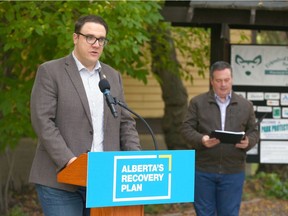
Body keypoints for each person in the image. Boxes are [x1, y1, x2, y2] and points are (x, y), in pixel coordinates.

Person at [29, 15, 141, 216]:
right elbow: (43, 121)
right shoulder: (50, 71)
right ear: (75, 38)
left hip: (103, 179)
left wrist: (135, 160)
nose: (96, 44)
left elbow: (125, 122)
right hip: (60, 179)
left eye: (101, 39)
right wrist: (69, 161)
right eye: (89, 37)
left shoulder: (111, 76)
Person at [181, 61, 259, 216]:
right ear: (211, 81)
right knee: (204, 213)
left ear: (232, 79)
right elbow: (186, 129)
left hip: (233, 171)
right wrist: (201, 139)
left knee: (229, 213)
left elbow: (254, 131)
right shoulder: (197, 103)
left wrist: (248, 141)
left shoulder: (245, 105)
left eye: (226, 80)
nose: (223, 84)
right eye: (218, 80)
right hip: (203, 170)